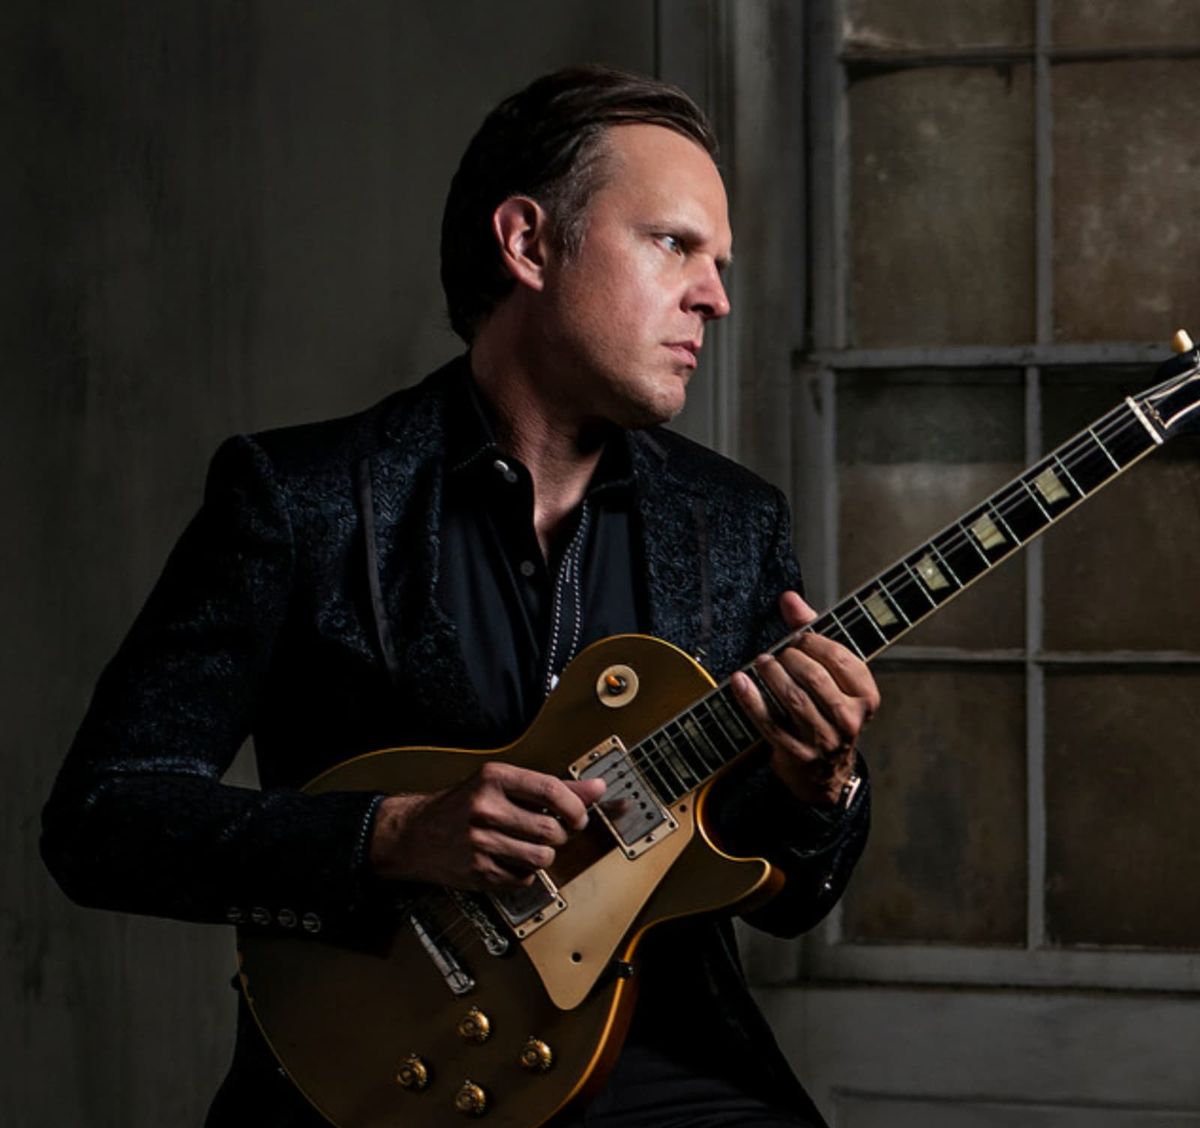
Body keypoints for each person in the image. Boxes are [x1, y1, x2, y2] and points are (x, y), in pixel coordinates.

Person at [42, 65, 879, 1127]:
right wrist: (389, 835)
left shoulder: (735, 521)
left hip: (663, 1073)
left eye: (718, 262)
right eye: (674, 244)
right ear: (528, 243)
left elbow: (785, 902)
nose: (713, 294)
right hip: (386, 1082)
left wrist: (818, 787)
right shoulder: (300, 499)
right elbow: (102, 819)